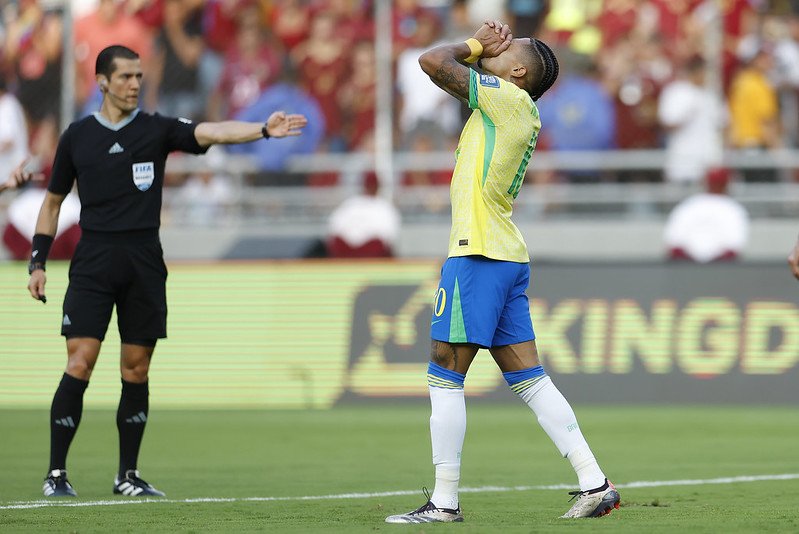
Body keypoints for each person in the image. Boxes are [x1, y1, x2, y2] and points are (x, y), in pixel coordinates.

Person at [15, 44, 307, 498]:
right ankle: (56, 473)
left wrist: (261, 131)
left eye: (138, 76)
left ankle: (127, 475)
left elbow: (211, 132)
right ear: (103, 82)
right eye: (126, 77)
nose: (135, 84)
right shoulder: (77, 136)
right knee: (81, 360)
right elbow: (52, 203)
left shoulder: (155, 129)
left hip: (144, 261)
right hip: (92, 261)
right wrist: (38, 261)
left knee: (136, 369)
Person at [384, 21, 619, 524]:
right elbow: (449, 74)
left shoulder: (508, 100)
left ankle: (444, 502)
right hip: (504, 253)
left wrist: (472, 44)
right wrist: (480, 51)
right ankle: (594, 483)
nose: (494, 47)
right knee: (529, 379)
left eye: (504, 48)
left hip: (479, 253)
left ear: (515, 73)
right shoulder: (508, 104)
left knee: (445, 371)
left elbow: (430, 62)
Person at [664, 167, 749, 263]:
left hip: (714, 269)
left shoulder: (689, 204)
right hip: (692, 268)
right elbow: (674, 244)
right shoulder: (734, 209)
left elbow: (733, 248)